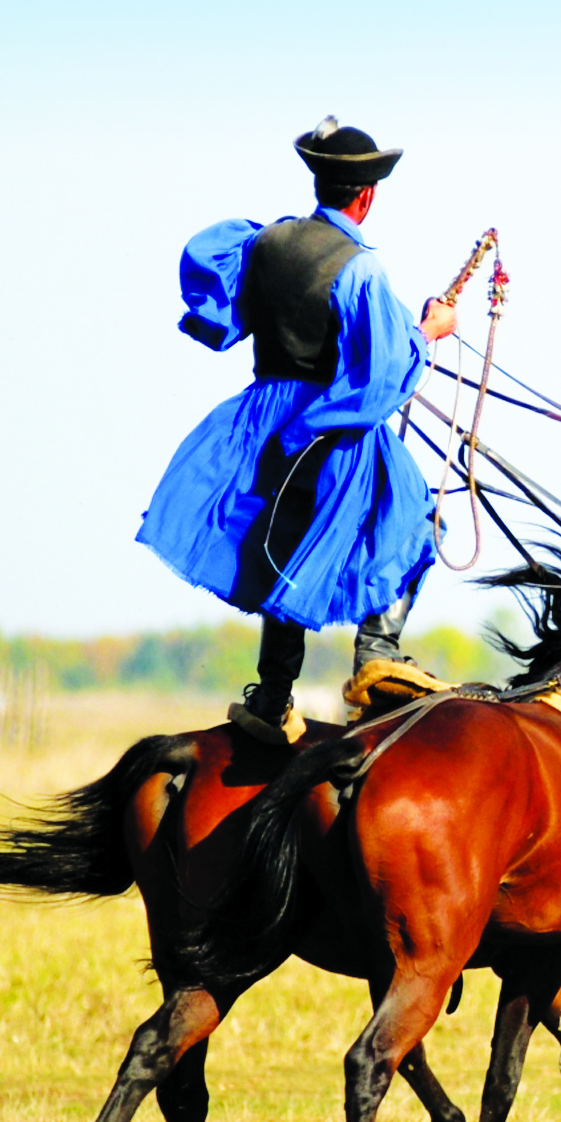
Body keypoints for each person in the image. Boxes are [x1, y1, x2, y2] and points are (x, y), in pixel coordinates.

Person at [137, 117, 456, 745]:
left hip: (262, 420)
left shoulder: (262, 244)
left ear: (319, 183)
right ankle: (376, 656)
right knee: (416, 518)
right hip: (330, 422)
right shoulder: (361, 270)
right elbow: (385, 372)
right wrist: (430, 332)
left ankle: (274, 694)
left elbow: (223, 314)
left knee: (282, 543)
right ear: (366, 196)